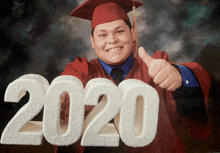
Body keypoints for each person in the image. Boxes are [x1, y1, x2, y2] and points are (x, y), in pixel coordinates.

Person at [58, 0, 211, 152]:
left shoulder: (156, 68)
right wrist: (66, 97)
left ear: (132, 33)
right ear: (92, 41)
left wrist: (178, 76)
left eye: (119, 31)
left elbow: (194, 83)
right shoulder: (83, 70)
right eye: (102, 34)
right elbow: (70, 82)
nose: (112, 40)